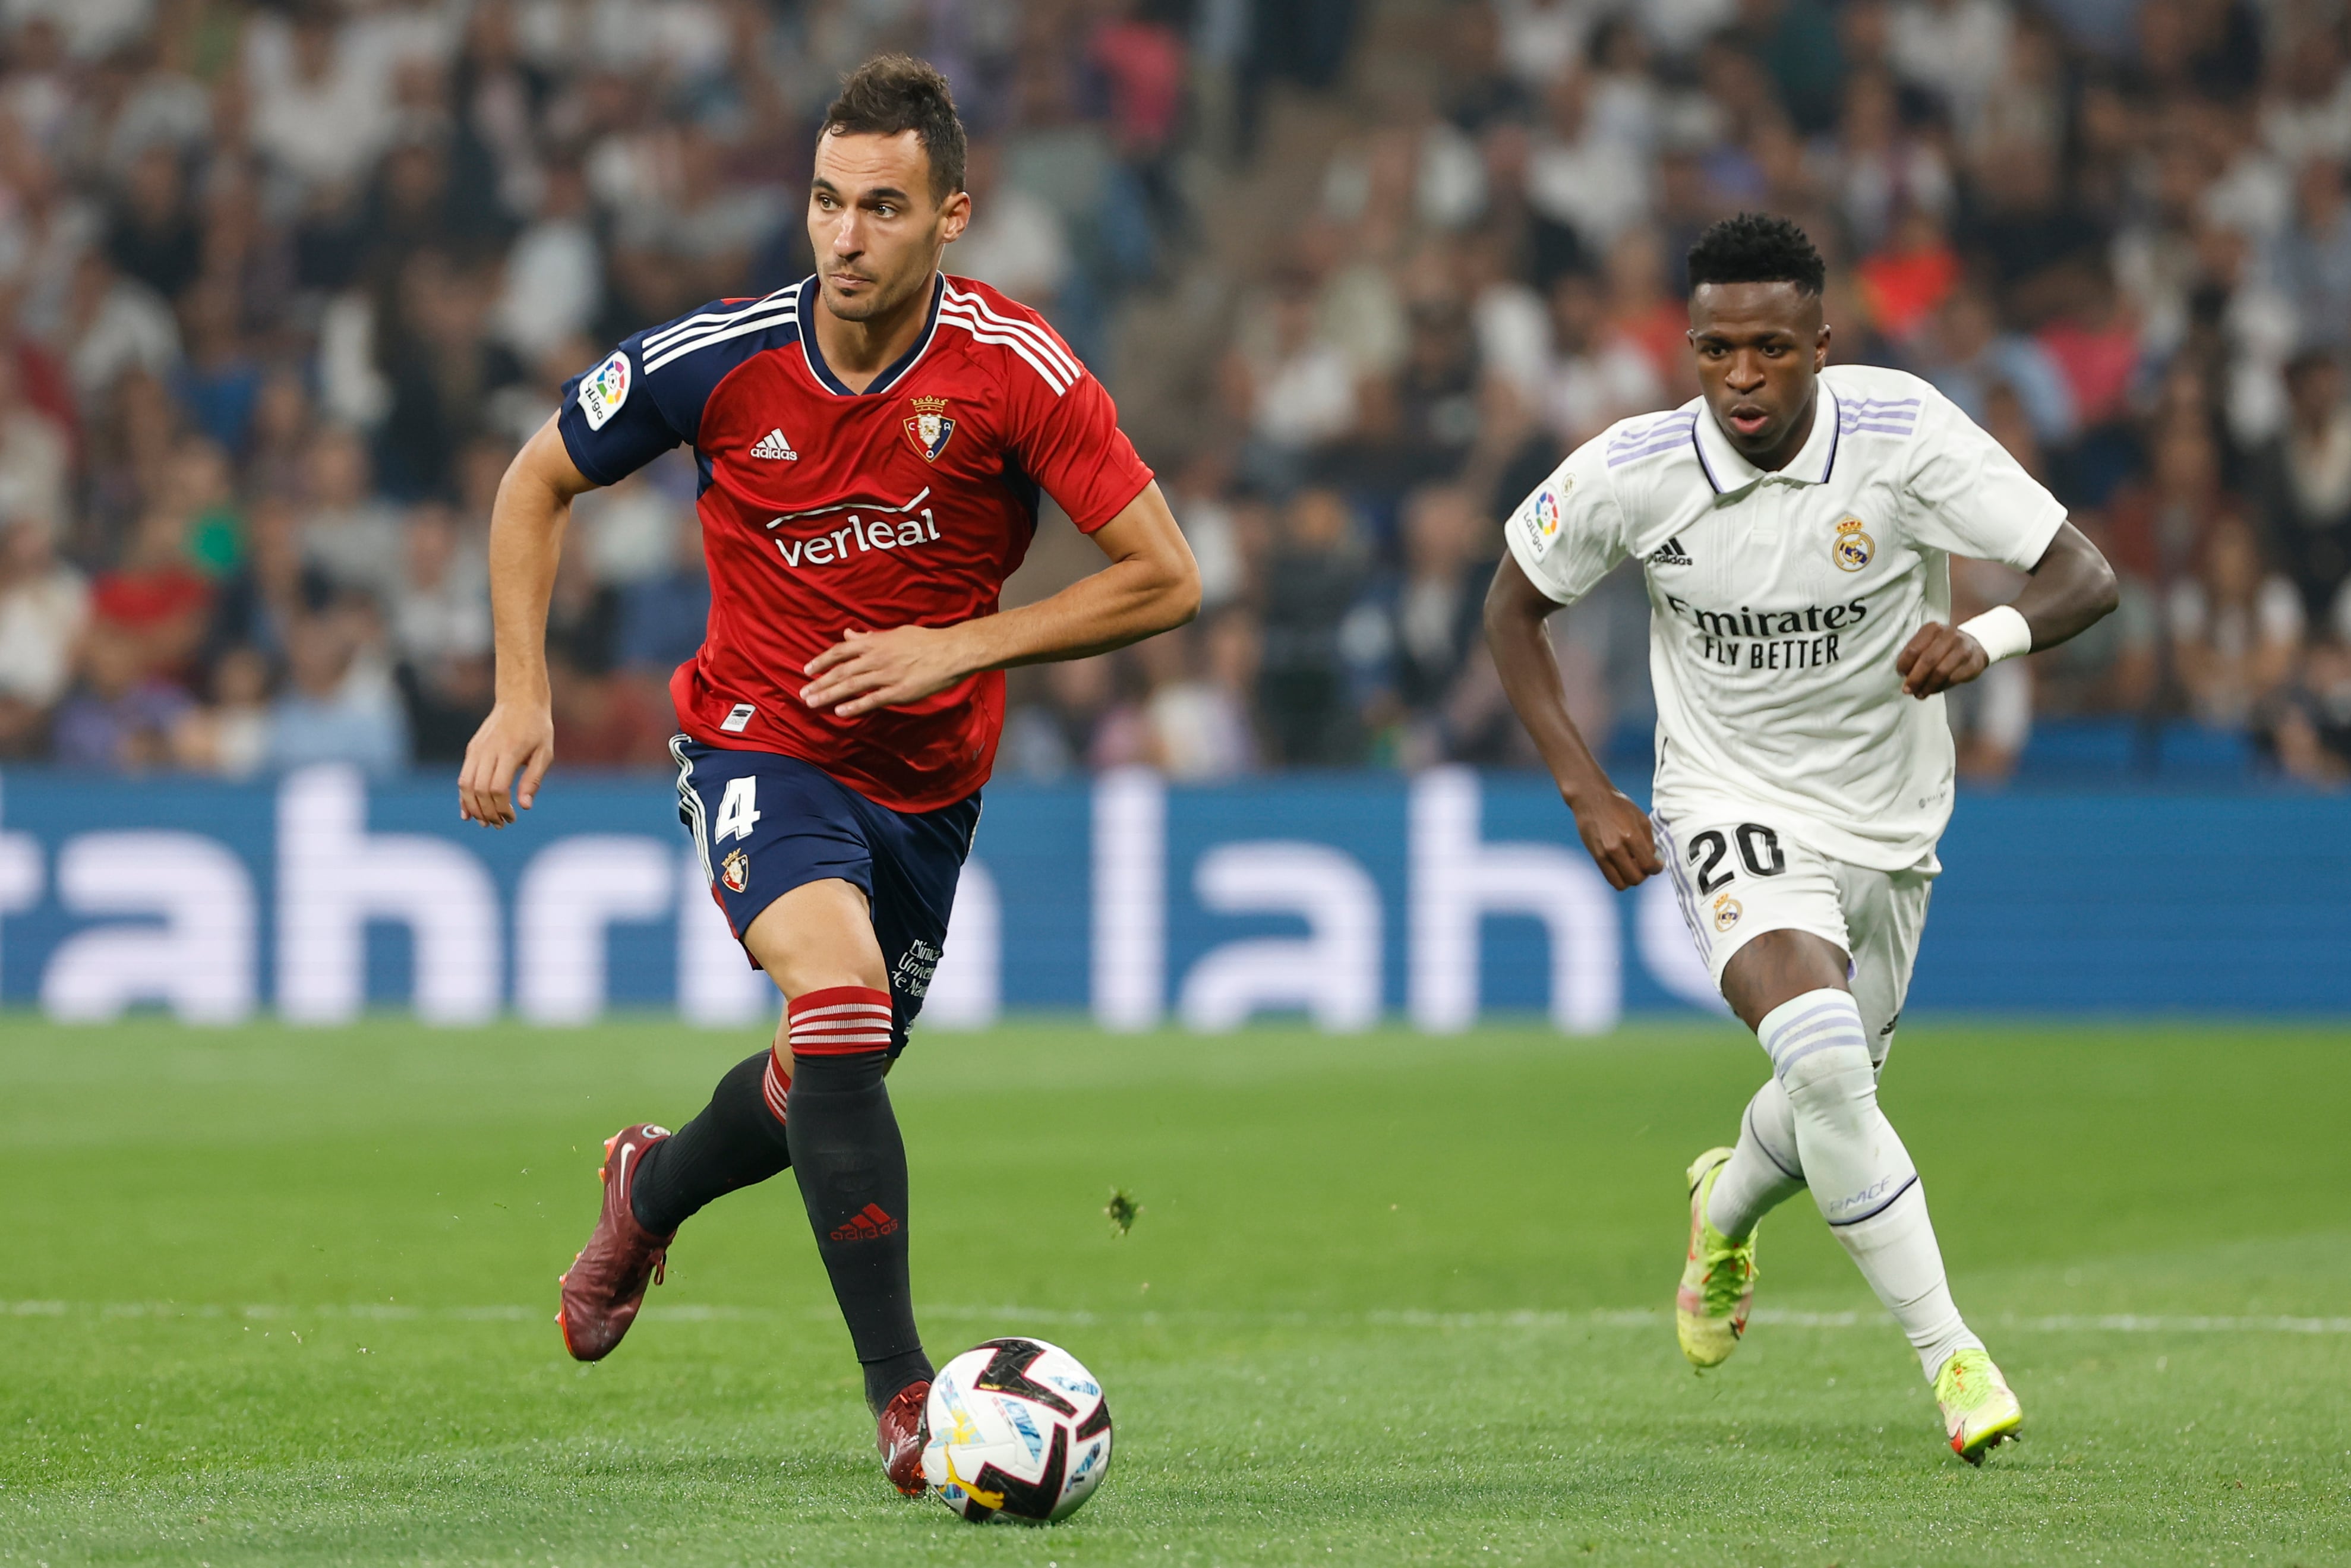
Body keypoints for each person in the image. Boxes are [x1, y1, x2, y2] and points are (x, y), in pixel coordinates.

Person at [455, 56, 1199, 1496]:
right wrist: (522, 692)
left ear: (951, 218)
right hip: (759, 738)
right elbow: (531, 480)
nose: (843, 237)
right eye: (823, 202)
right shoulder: (721, 357)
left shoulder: (1014, 371)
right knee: (842, 1004)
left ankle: (647, 1187)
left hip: (927, 786)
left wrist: (954, 648)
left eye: (880, 208)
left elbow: (1165, 578)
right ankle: (905, 1399)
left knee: (826, 1074)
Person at [1482, 213, 2118, 1463]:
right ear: (1687, 346)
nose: (1740, 378)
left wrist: (1979, 640)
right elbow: (1511, 609)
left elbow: (2081, 573)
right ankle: (1953, 1361)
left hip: (1889, 823)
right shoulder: (1633, 467)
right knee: (1823, 1060)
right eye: (1714, 349)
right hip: (1725, 802)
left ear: (1820, 344)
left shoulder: (1903, 436)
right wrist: (1587, 793)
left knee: (1829, 1090)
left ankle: (1720, 1210)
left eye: (1769, 349)